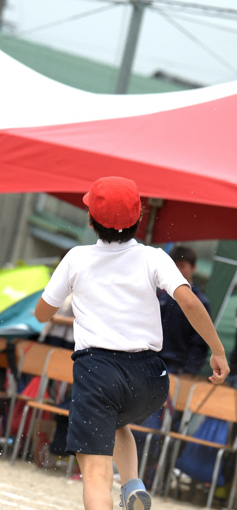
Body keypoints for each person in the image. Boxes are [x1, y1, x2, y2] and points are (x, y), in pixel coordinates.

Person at [35, 176, 228, 510]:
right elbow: (192, 303)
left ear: (90, 219)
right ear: (139, 219)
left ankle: (125, 487)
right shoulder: (154, 258)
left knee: (94, 471)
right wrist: (218, 351)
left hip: (98, 373)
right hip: (151, 379)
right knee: (118, 421)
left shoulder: (76, 258)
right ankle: (133, 484)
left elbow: (42, 313)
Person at [156, 245, 211, 377]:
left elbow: (201, 342)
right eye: (174, 266)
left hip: (179, 368)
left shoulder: (200, 302)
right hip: (152, 364)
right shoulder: (159, 295)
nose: (178, 270)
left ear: (193, 268)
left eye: (182, 265)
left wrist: (189, 370)